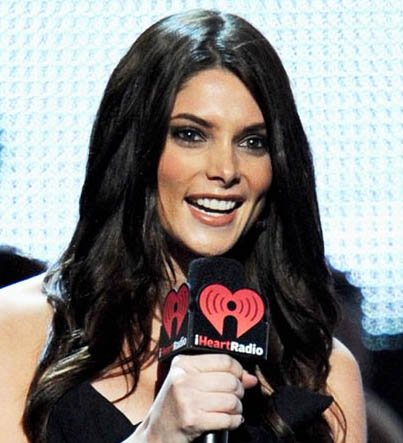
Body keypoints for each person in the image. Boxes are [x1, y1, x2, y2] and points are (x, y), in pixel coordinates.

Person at [0, 9, 366, 443]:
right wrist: (156, 436)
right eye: (191, 135)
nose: (226, 169)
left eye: (253, 142)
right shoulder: (16, 329)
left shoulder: (321, 370)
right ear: (135, 148)